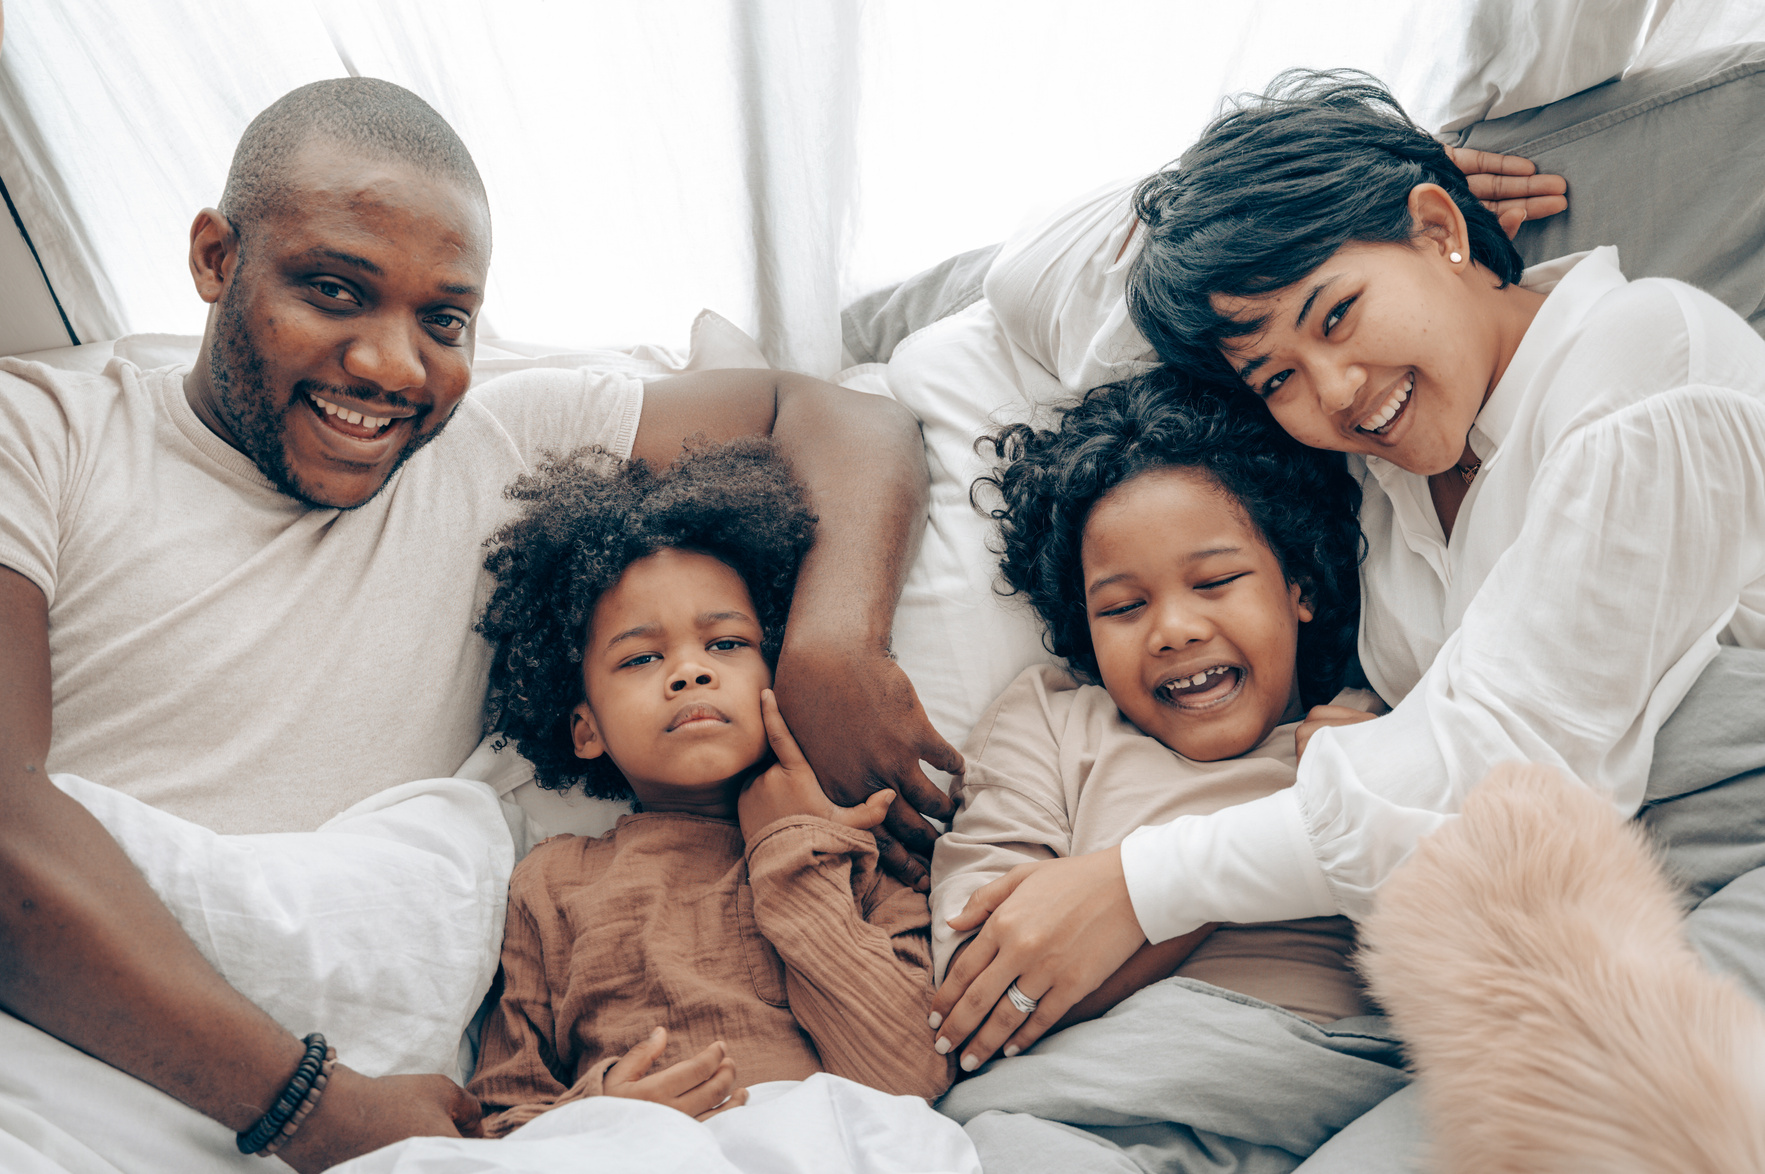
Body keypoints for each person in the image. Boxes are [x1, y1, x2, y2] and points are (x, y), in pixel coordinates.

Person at [0, 78, 958, 1171]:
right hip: (81, 1071)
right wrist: (312, 1107)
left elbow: (832, 413)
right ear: (217, 258)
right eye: (333, 289)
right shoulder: (43, 431)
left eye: (444, 319)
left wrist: (832, 646)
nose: (393, 365)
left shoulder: (497, 444)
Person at [929, 65, 1765, 1118]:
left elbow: (1504, 770)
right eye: (1276, 377)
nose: (1331, 394)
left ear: (1438, 232)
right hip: (1541, 927)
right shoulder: (1385, 475)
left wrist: (1137, 885)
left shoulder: (1642, 361)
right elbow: (1046, 304)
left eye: (1337, 314)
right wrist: (1285, 210)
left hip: (1717, 868)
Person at [926, 372, 1414, 1173]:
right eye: (1121, 607)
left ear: (1296, 583)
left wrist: (1359, 796)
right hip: (1079, 1113)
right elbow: (983, 988)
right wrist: (1249, 860)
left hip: (1332, 1093)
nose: (1174, 630)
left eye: (1216, 582)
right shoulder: (1051, 720)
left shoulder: (1379, 726)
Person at [464, 438, 953, 1135]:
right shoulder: (551, 883)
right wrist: (604, 1109)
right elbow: (502, 1118)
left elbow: (910, 1075)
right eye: (640, 657)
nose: (689, 672)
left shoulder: (856, 849)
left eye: (725, 645)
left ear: (777, 668)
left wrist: (791, 854)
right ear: (584, 729)